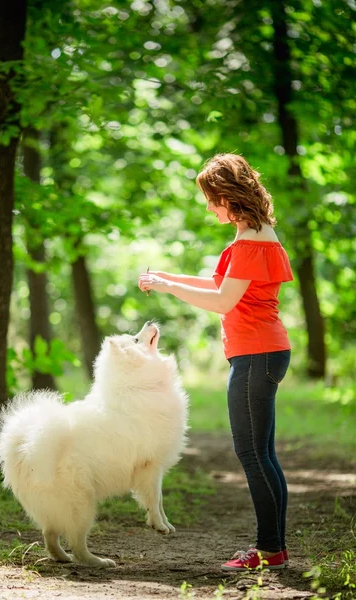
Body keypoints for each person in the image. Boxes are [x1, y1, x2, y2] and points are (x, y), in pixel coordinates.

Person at [138, 153, 293, 572]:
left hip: (255, 353)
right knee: (264, 454)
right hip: (264, 350)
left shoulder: (249, 241)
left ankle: (267, 549)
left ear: (228, 195)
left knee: (252, 453)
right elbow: (219, 284)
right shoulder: (257, 233)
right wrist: (166, 278)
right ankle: (274, 548)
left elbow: (222, 300)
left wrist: (167, 287)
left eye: (211, 198)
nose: (209, 207)